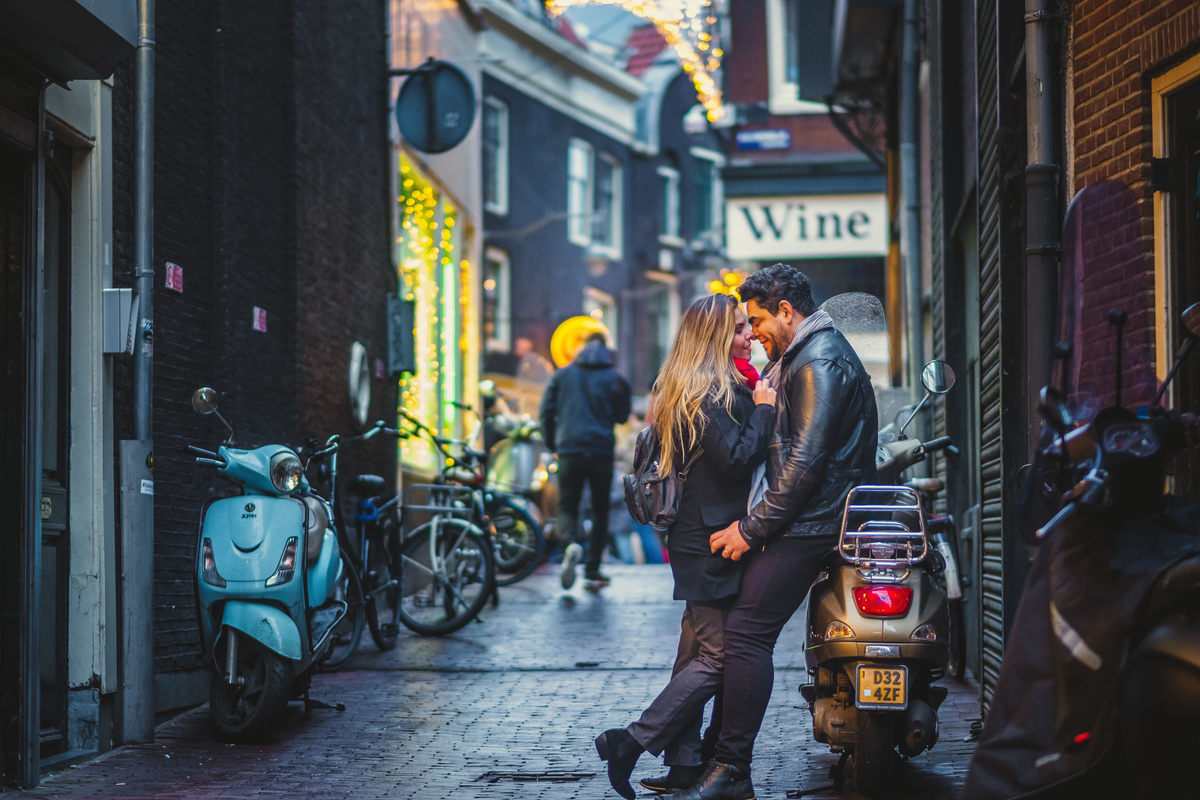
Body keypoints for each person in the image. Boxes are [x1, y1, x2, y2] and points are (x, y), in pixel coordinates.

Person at [678, 264, 878, 800]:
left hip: (808, 524)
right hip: (801, 519)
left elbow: (806, 461)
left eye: (759, 320)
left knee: (745, 636)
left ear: (787, 312)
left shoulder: (820, 361)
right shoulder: (804, 357)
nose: (755, 331)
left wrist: (751, 528)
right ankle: (708, 762)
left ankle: (731, 770)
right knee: (738, 631)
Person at [593, 295, 776, 800]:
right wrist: (763, 411)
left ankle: (683, 765)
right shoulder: (708, 392)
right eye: (738, 329)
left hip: (699, 536)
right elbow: (737, 459)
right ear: (715, 337)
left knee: (692, 652)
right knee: (719, 657)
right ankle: (629, 742)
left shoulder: (702, 385)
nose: (748, 336)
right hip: (709, 541)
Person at [539, 331, 632, 589]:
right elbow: (622, 416)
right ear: (605, 349)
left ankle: (570, 544)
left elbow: (546, 412)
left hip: (569, 449)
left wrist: (552, 443)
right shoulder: (615, 378)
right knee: (601, 510)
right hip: (601, 450)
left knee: (568, 505)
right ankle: (593, 569)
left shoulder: (562, 375)